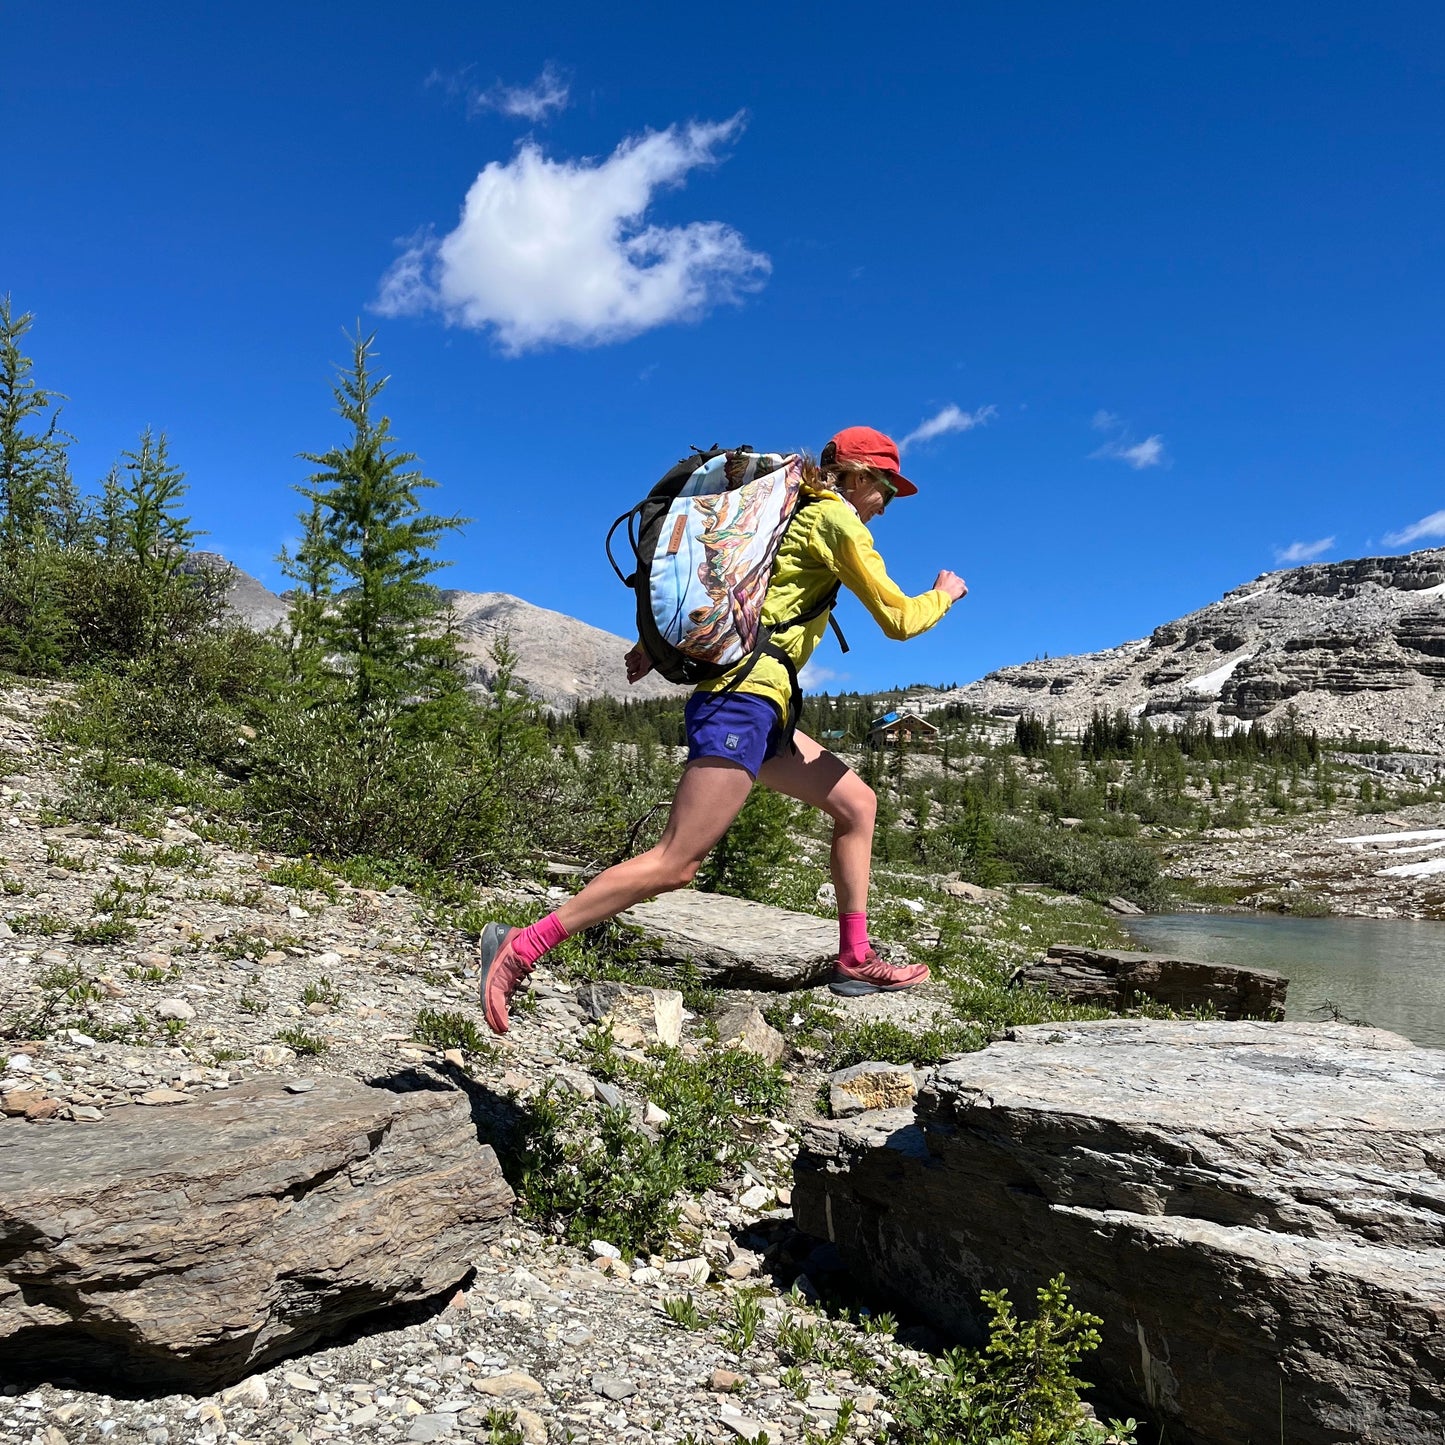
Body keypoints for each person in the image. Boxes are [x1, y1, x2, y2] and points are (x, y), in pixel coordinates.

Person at [477, 425, 968, 1034]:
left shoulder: (788, 512)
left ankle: (854, 957)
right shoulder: (836, 520)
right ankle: (521, 945)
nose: (886, 506)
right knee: (677, 861)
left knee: (857, 804)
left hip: (763, 705)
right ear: (861, 476)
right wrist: (943, 594)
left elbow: (736, 585)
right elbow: (899, 619)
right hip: (743, 703)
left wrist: (660, 646)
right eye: (887, 491)